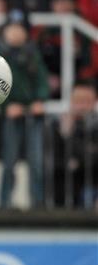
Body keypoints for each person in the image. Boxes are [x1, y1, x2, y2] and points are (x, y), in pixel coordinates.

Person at [0, 9, 49, 209]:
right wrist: (6, 106)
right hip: (11, 117)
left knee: (36, 162)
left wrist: (39, 100)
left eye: (20, 29)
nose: (15, 33)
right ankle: (4, 203)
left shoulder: (32, 54)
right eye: (11, 28)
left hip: (32, 116)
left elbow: (42, 81)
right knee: (9, 162)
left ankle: (37, 203)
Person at [52, 81, 98, 209]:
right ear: (71, 102)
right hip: (64, 197)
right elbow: (54, 162)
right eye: (78, 101)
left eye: (87, 101)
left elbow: (93, 160)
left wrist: (68, 137)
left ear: (95, 103)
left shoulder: (95, 127)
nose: (82, 106)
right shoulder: (56, 126)